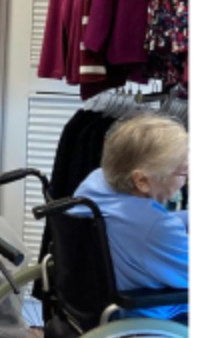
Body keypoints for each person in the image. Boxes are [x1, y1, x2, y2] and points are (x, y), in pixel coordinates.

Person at [72, 113, 189, 323]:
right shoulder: (156, 227)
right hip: (150, 317)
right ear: (142, 181)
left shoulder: (95, 182)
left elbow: (141, 224)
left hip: (94, 301)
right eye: (183, 173)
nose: (186, 181)